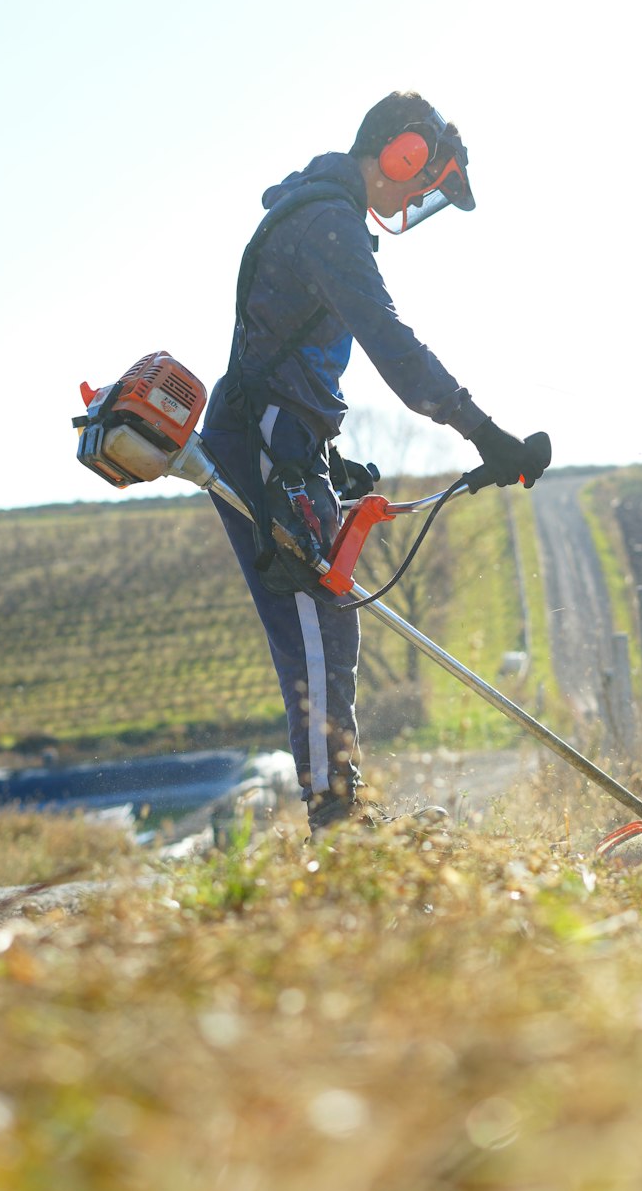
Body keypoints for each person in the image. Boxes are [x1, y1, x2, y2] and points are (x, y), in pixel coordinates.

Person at [200, 91, 549, 834]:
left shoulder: (321, 214)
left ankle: (342, 801)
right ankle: (334, 817)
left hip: (287, 439)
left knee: (333, 618)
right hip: (266, 439)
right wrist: (482, 431)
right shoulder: (329, 223)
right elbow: (390, 343)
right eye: (423, 180)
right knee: (316, 619)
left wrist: (327, 449)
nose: (419, 196)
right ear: (401, 153)